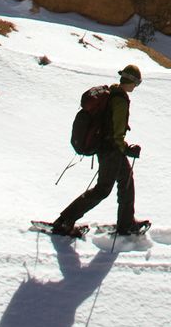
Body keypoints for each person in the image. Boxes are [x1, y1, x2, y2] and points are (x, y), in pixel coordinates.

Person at [52, 65, 148, 236]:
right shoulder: (120, 99)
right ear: (132, 81)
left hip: (108, 148)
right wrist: (128, 149)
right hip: (111, 150)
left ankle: (126, 224)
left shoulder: (112, 92)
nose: (136, 86)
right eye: (137, 83)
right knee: (103, 189)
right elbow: (117, 133)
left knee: (126, 181)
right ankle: (65, 220)